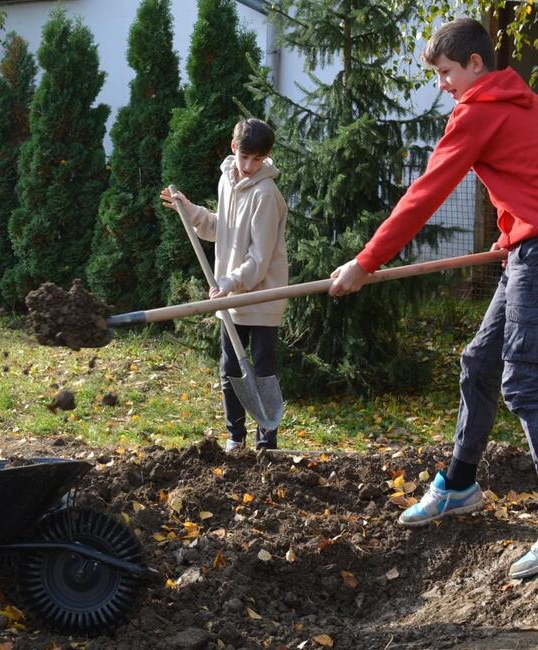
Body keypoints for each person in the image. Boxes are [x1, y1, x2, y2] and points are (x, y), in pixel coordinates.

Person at [328, 18, 538, 575]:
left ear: (475, 64)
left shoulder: (479, 110)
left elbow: (425, 194)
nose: (441, 84)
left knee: (525, 381)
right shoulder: (525, 104)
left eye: (445, 72)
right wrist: (510, 229)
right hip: (525, 251)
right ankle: (461, 483)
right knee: (480, 363)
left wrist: (365, 260)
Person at [161, 118, 289, 452]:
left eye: (257, 160)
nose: (249, 166)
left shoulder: (266, 195)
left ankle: (267, 445)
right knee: (229, 368)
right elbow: (222, 230)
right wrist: (192, 212)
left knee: (261, 371)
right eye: (245, 157)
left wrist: (228, 282)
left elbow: (259, 259)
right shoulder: (227, 180)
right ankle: (235, 439)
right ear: (234, 149)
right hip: (229, 295)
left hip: (262, 296)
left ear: (266, 158)